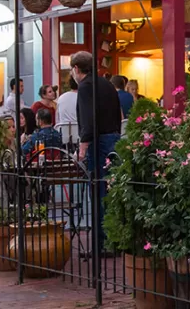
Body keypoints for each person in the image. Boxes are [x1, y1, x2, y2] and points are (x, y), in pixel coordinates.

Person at [73, 51, 122, 256]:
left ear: (76, 69)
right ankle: (113, 239)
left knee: (98, 191)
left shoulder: (85, 87)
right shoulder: (107, 83)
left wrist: (82, 148)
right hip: (113, 139)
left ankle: (101, 243)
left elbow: (88, 119)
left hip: (98, 141)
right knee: (110, 191)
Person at [55, 78, 80, 145]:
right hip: (79, 135)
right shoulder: (82, 97)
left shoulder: (61, 98)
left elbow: (57, 119)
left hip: (63, 135)